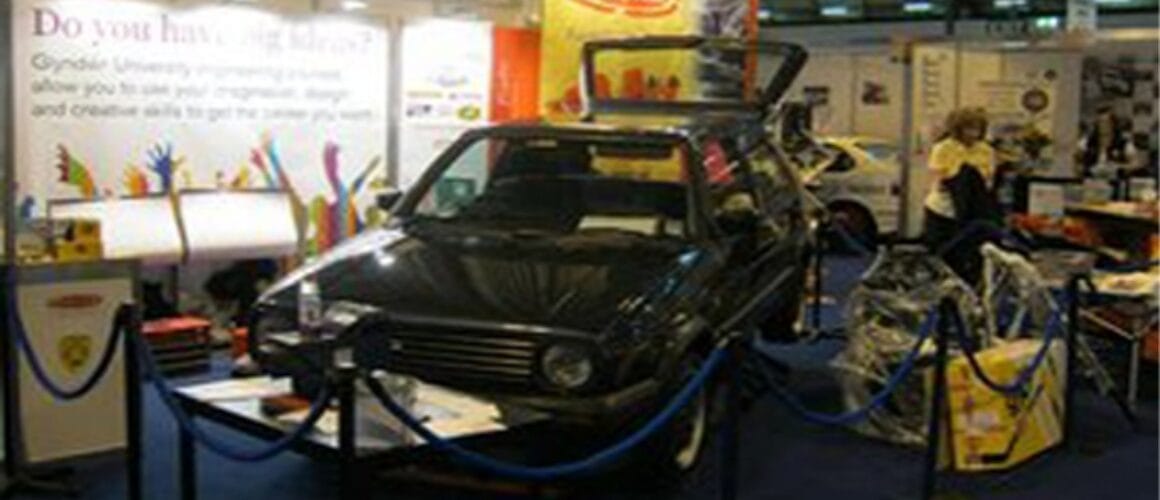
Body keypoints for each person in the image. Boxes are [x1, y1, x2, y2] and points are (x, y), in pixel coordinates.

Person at [923, 107, 1001, 285]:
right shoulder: (942, 148)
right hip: (943, 210)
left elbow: (988, 180)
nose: (973, 133)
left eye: (978, 129)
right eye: (969, 128)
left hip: (973, 211)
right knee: (945, 257)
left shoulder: (986, 151)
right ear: (958, 128)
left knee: (973, 257)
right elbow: (939, 176)